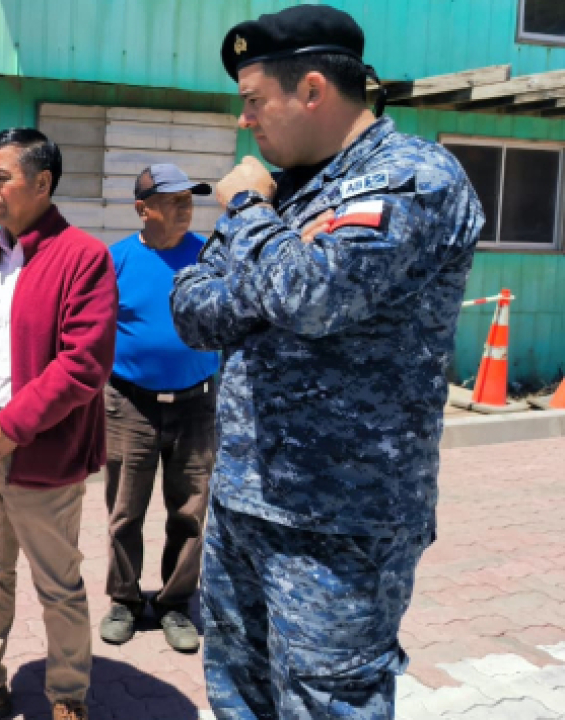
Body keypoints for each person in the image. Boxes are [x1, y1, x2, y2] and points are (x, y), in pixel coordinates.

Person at [170, 6, 484, 718]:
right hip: (244, 499)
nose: (245, 120)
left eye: (254, 100)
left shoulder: (410, 178)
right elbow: (192, 309)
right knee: (239, 696)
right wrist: (275, 269)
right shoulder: (289, 191)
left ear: (311, 90)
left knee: (327, 705)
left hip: (340, 523)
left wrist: (248, 212)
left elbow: (312, 297)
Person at [0, 128, 117, 720]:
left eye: (1, 177)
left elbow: (83, 363)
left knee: (58, 583)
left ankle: (67, 697)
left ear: (42, 183)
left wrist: (14, 426)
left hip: (40, 450)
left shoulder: (82, 257)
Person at [97, 163, 219, 653]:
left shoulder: (209, 257)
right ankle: (125, 601)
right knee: (125, 511)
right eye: (172, 199)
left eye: (189, 198)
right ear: (142, 209)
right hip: (130, 404)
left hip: (197, 404)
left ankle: (174, 604)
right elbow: (91, 331)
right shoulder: (116, 261)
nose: (185, 207)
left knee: (189, 512)